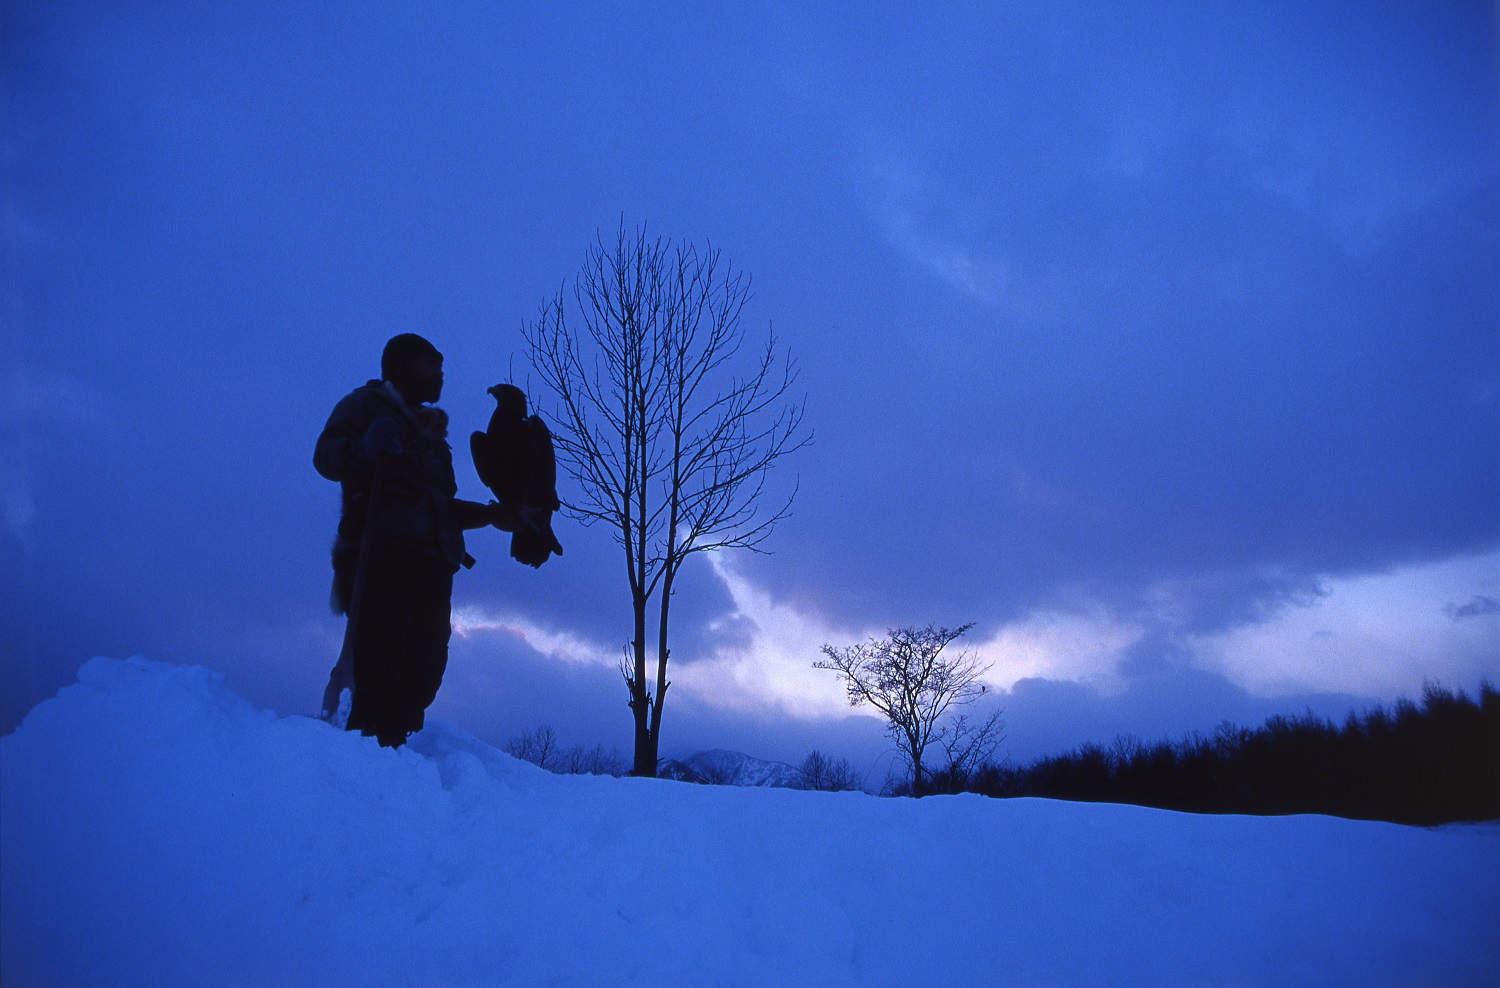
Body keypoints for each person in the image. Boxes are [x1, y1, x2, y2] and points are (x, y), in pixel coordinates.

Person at [313, 333, 519, 748]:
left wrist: (491, 515)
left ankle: (398, 745)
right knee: (379, 655)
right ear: (402, 367)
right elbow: (326, 457)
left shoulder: (432, 439)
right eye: (431, 363)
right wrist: (365, 446)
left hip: (431, 561)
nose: (441, 372)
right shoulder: (365, 406)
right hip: (380, 553)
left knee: (427, 660)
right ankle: (365, 746)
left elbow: (440, 507)